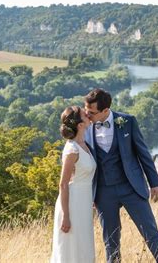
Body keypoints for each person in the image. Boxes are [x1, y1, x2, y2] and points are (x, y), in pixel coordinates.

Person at [84, 88, 158, 263]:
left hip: (131, 187)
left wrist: (154, 183)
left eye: (91, 112)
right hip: (103, 193)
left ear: (105, 110)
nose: (87, 115)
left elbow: (143, 153)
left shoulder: (127, 122)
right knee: (111, 243)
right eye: (86, 110)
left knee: (152, 235)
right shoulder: (85, 128)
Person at [50, 106, 96, 263]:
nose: (88, 115)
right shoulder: (72, 150)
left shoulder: (85, 144)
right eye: (85, 114)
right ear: (80, 125)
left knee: (84, 247)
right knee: (71, 249)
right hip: (72, 205)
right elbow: (63, 184)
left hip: (84, 203)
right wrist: (66, 216)